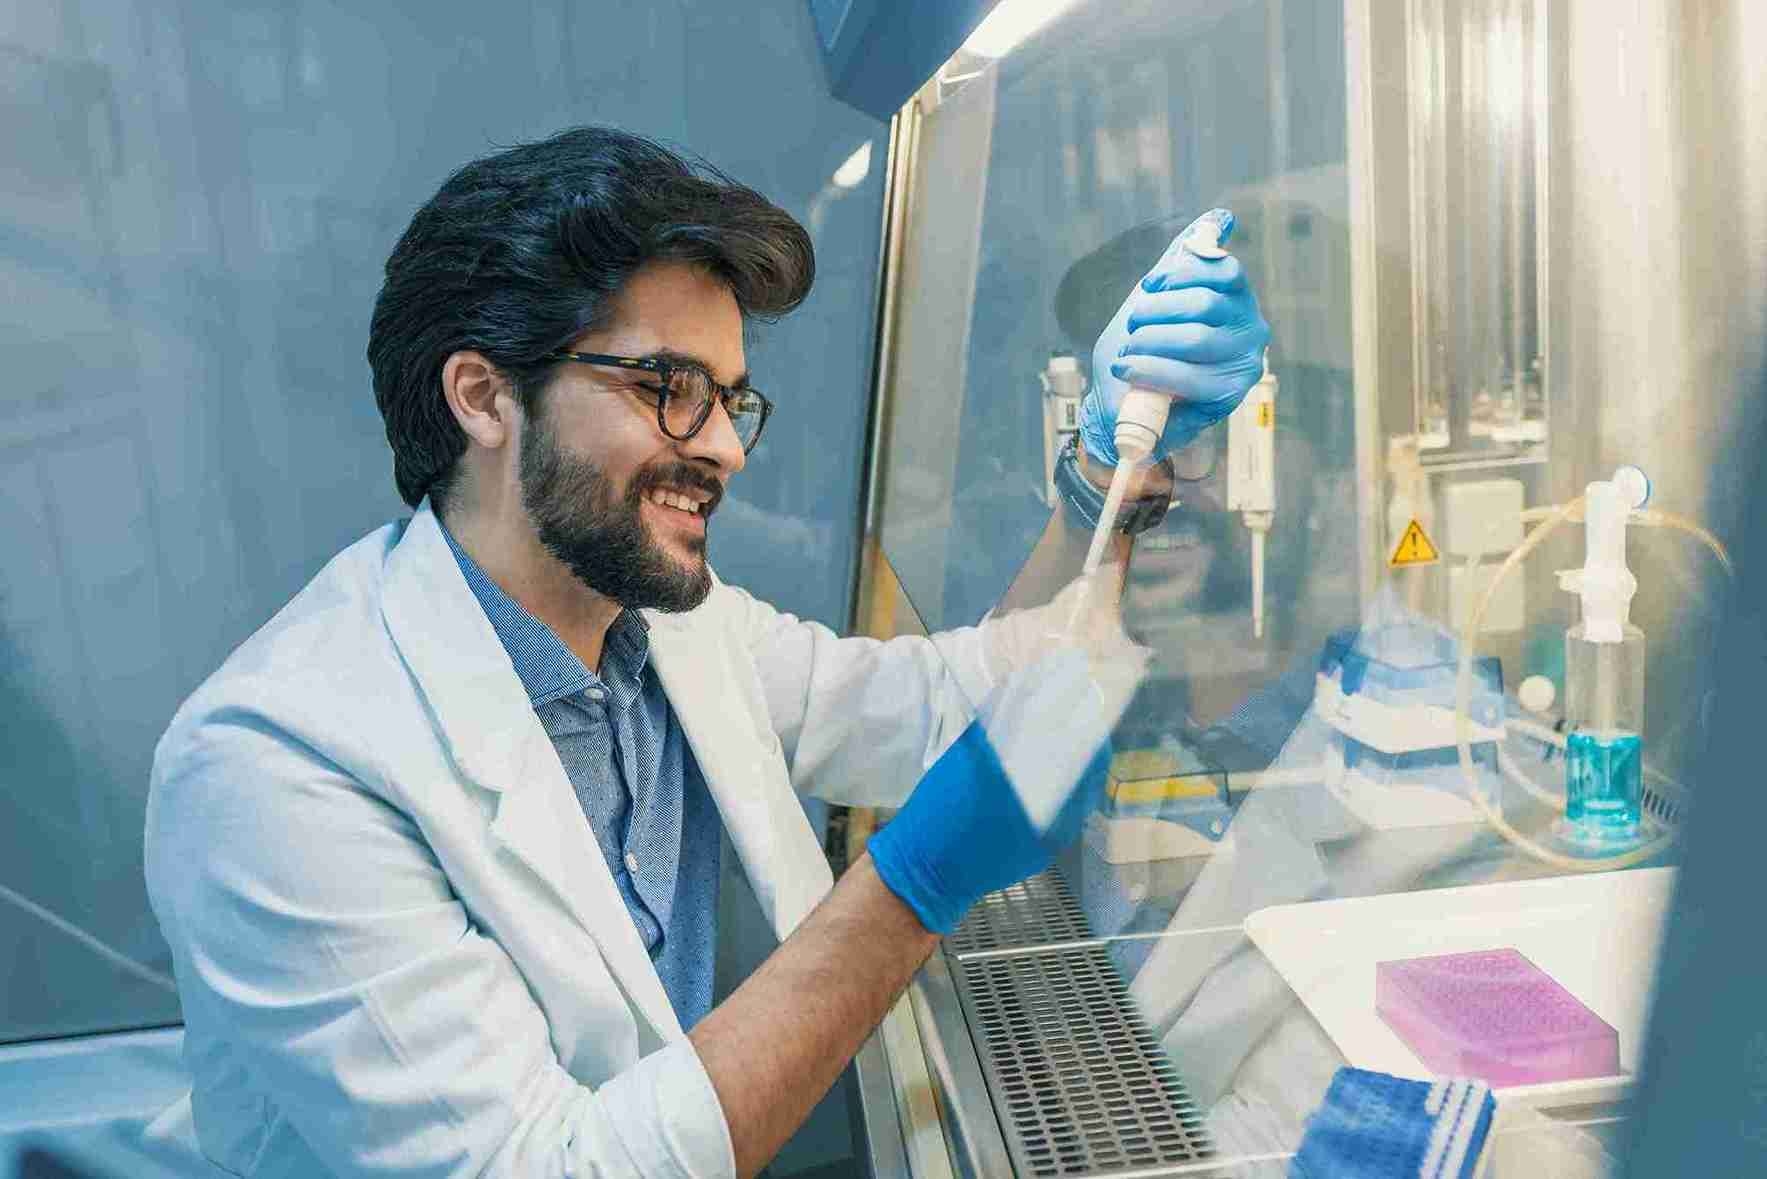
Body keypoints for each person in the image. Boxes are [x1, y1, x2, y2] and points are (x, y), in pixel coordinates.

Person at [142, 126, 1268, 1178]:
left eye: (730, 398)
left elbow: (949, 705)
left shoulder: (664, 626)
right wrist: (911, 884)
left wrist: (1105, 475)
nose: (725, 446)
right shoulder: (274, 768)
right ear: (484, 398)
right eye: (669, 390)